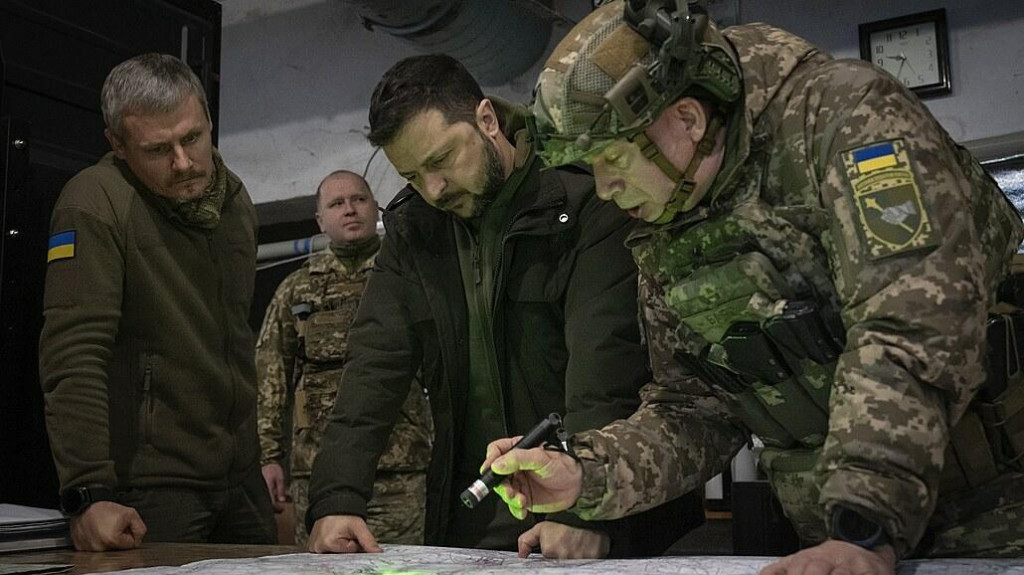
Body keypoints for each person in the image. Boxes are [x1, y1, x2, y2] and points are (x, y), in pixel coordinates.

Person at [482, 1, 1024, 573]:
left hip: (993, 521)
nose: (606, 188)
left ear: (688, 118)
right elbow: (695, 406)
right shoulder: (670, 211)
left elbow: (912, 325)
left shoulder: (846, 119)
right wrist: (585, 473)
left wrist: (865, 525)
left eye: (613, 158)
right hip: (836, 537)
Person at [305, 54, 703, 558]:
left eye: (441, 160)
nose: (433, 189)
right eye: (411, 175)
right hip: (477, 517)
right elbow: (372, 365)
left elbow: (605, 366)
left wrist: (580, 508)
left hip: (607, 515)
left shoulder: (583, 199)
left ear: (487, 120)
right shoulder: (415, 232)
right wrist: (336, 497)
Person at [38, 53, 275, 551]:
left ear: (210, 122)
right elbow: (74, 353)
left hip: (241, 480)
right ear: (118, 146)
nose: (184, 162)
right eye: (158, 149)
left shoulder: (236, 202)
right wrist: (87, 493)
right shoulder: (94, 201)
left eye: (192, 138)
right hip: (152, 489)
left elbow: (237, 341)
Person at [256, 170, 433, 546]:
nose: (349, 210)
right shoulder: (296, 289)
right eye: (337, 204)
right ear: (320, 220)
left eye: (359, 199)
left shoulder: (411, 277)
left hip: (400, 469)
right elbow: (271, 376)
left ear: (376, 208)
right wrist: (269, 456)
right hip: (318, 470)